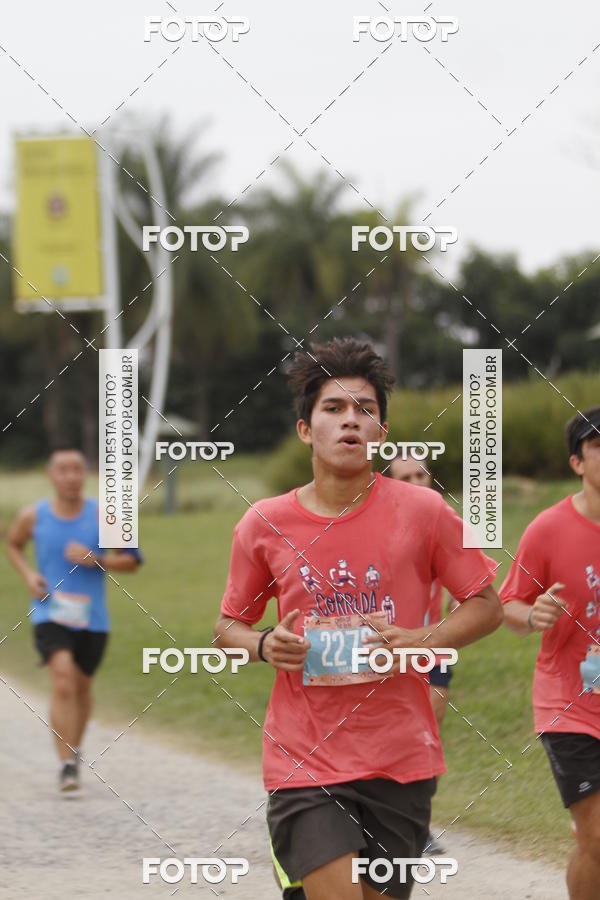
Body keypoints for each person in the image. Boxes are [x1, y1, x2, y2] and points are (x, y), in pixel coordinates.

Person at [214, 337, 502, 899]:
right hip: (305, 757)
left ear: (382, 433)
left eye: (365, 409)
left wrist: (422, 637)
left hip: (400, 756)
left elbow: (487, 604)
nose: (351, 420)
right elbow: (227, 628)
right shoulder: (263, 523)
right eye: (334, 408)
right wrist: (265, 643)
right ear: (306, 429)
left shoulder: (424, 511)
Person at [501, 406, 600, 900]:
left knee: (592, 842)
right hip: (569, 706)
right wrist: (533, 614)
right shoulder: (548, 528)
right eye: (598, 446)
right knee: (598, 835)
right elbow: (508, 605)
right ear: (576, 462)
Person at [6, 447, 142, 792]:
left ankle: (74, 749)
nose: (70, 477)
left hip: (93, 619)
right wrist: (28, 575)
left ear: (86, 475)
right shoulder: (33, 515)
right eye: (63, 470)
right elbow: (13, 544)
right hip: (49, 611)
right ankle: (66, 763)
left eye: (77, 470)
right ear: (50, 475)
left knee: (81, 687)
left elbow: (133, 560)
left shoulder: (103, 515)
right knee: (63, 680)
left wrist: (98, 559)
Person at [389, 454, 461, 855]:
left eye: (421, 475)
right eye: (405, 477)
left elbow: (466, 581)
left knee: (427, 733)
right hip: (386, 649)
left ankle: (419, 825)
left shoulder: (443, 522)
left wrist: (459, 601)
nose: (416, 482)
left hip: (433, 646)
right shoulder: (379, 526)